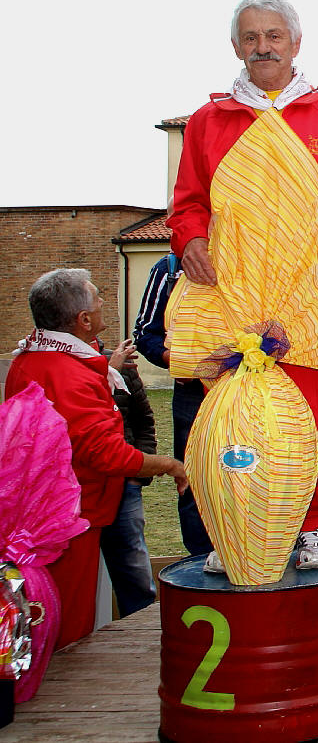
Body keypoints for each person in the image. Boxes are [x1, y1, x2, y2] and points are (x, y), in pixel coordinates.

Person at [169, 0, 318, 572]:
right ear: (236, 47)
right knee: (226, 420)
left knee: (313, 417)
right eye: (251, 38)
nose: (263, 47)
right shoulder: (209, 122)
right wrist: (189, 242)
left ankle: (314, 528)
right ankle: (228, 531)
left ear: (295, 44)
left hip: (307, 300)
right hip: (229, 299)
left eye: (274, 36)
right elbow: (186, 205)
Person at [4, 269, 188, 648]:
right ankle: (59, 685)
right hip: (72, 512)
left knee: (52, 603)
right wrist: (170, 465)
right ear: (83, 320)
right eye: (98, 298)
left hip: (42, 507)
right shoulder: (70, 373)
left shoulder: (31, 358)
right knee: (67, 615)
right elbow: (105, 452)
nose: (104, 302)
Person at [133, 252, 212, 555]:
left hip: (249, 388)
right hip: (192, 393)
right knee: (194, 480)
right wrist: (180, 361)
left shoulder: (253, 258)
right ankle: (201, 562)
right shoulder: (170, 268)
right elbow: (144, 333)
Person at [96, 335, 160, 616]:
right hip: (84, 486)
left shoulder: (123, 366)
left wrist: (138, 476)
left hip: (125, 482)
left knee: (133, 567)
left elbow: (144, 421)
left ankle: (138, 626)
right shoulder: (67, 367)